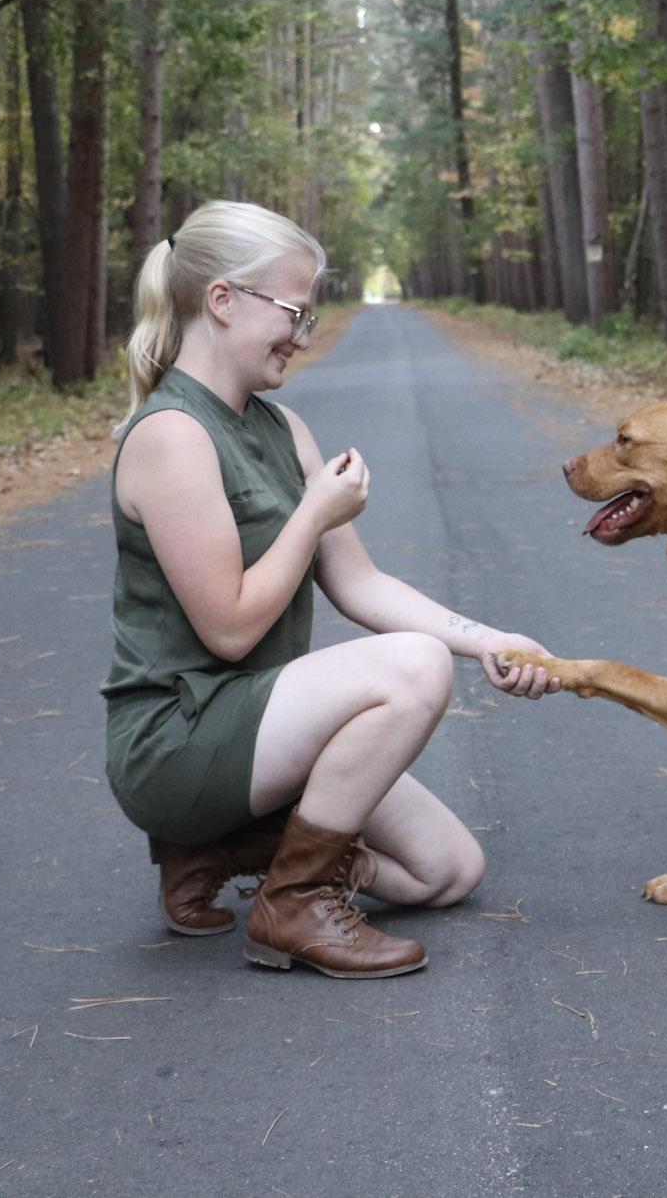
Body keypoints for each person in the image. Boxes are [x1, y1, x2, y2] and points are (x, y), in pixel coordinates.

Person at [102, 200, 554, 979]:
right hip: (178, 739)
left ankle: (232, 848)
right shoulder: (171, 436)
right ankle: (295, 899)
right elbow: (231, 631)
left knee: (447, 869)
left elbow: (361, 582)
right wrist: (313, 513)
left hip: (262, 732)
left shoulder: (285, 432)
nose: (303, 337)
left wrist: (489, 640)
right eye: (293, 312)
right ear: (223, 300)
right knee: (412, 666)